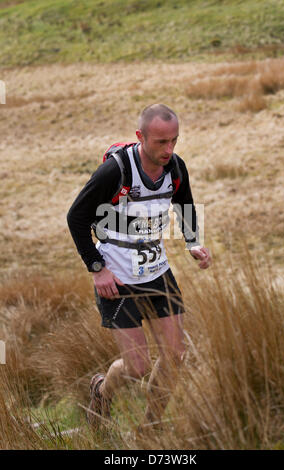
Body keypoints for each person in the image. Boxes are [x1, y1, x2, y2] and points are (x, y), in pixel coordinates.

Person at [67, 103, 211, 432]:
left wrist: (193, 243)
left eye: (174, 140)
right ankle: (102, 391)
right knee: (137, 364)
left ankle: (151, 429)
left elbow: (184, 203)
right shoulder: (115, 171)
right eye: (161, 142)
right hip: (117, 278)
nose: (169, 149)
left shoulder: (175, 167)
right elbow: (76, 217)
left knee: (175, 356)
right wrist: (96, 267)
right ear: (140, 136)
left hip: (158, 272)